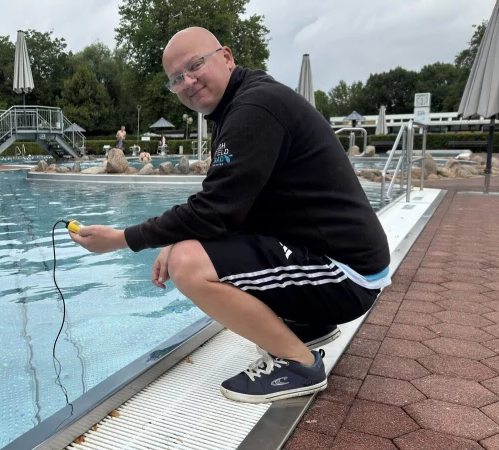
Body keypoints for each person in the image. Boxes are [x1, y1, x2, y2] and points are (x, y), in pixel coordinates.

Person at [69, 27, 390, 404]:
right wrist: (174, 236)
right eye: (176, 78)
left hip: (346, 274)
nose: (188, 82)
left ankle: (299, 365)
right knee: (190, 246)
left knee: (188, 264)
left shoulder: (255, 108)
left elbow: (213, 213)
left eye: (195, 66)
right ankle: (310, 324)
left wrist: (122, 239)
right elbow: (231, 207)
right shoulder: (242, 104)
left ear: (226, 57)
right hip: (333, 257)